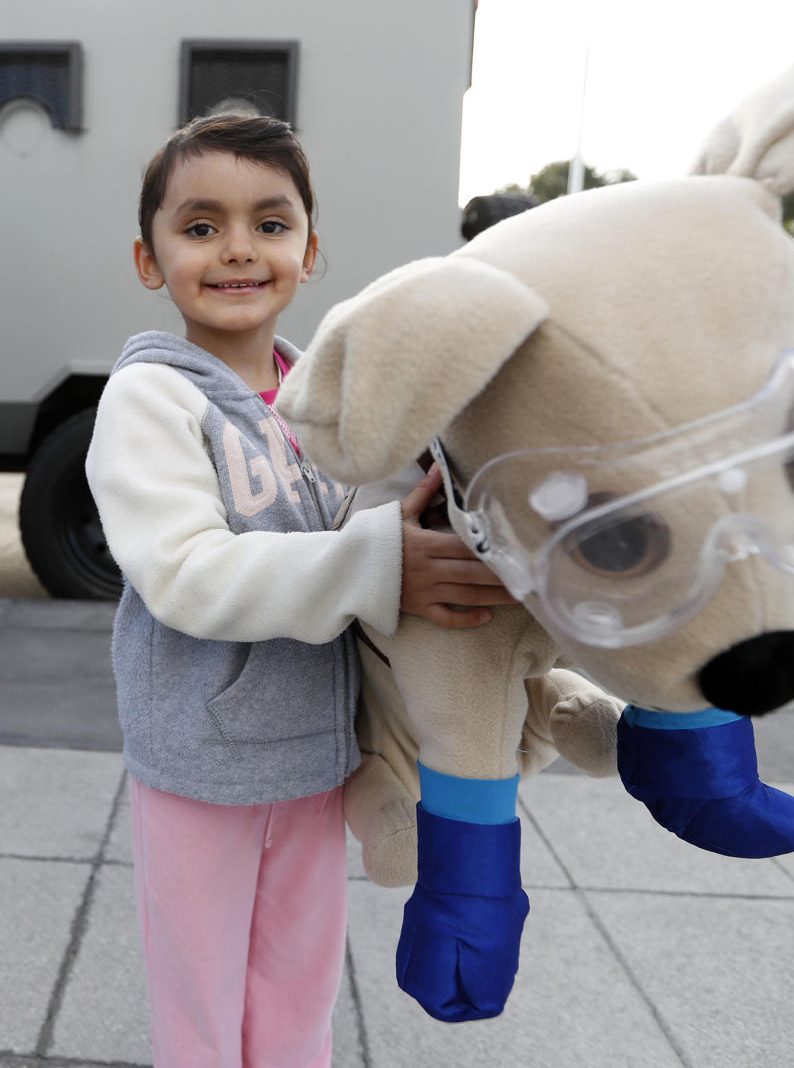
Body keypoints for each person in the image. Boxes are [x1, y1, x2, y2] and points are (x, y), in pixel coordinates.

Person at [85, 112, 511, 1068]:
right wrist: (378, 564)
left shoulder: (322, 401)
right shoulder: (151, 398)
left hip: (318, 760)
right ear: (150, 261)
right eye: (200, 228)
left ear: (311, 252)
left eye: (270, 225)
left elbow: (384, 520)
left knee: (297, 996)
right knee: (201, 1008)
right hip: (199, 765)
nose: (238, 249)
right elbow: (186, 573)